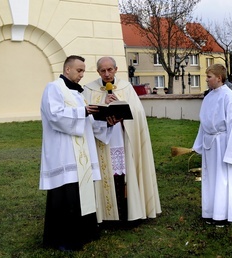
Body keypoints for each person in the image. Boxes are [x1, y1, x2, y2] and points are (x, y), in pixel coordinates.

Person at [40, 55, 118, 251]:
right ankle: (63, 239)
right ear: (67, 70)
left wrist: (106, 122)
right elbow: (55, 115)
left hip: (81, 154)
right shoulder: (54, 88)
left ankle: (84, 233)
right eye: (79, 70)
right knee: (66, 195)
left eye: (83, 70)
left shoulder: (77, 94)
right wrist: (82, 112)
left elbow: (88, 124)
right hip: (64, 153)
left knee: (81, 194)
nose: (82, 74)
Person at [83, 57, 161, 224]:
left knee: (126, 173)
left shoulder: (126, 87)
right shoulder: (89, 89)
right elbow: (87, 116)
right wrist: (104, 112)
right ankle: (107, 214)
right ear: (98, 72)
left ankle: (129, 211)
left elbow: (138, 113)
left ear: (116, 69)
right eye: (103, 71)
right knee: (107, 174)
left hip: (124, 138)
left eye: (110, 70)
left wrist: (121, 108)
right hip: (103, 140)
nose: (107, 74)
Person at [192, 64, 232, 227]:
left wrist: (231, 152)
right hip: (211, 144)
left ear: (219, 78)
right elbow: (204, 123)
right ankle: (210, 211)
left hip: (223, 144)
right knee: (210, 179)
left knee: (223, 179)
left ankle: (223, 214)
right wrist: (200, 144)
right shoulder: (209, 97)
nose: (206, 80)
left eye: (209, 77)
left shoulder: (230, 98)